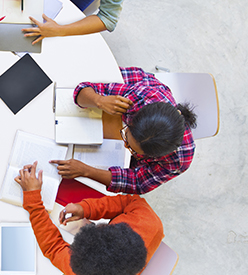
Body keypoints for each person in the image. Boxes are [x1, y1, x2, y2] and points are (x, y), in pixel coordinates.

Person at [16, 162, 164, 275]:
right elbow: (127, 201)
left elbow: (53, 248)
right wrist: (86, 208)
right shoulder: (148, 219)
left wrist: (33, 199)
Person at [52, 67, 197, 194]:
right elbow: (84, 88)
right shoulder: (140, 97)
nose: (125, 144)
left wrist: (87, 171)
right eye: (126, 136)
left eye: (133, 150)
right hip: (131, 87)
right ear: (133, 117)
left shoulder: (180, 159)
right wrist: (99, 100)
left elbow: (138, 183)